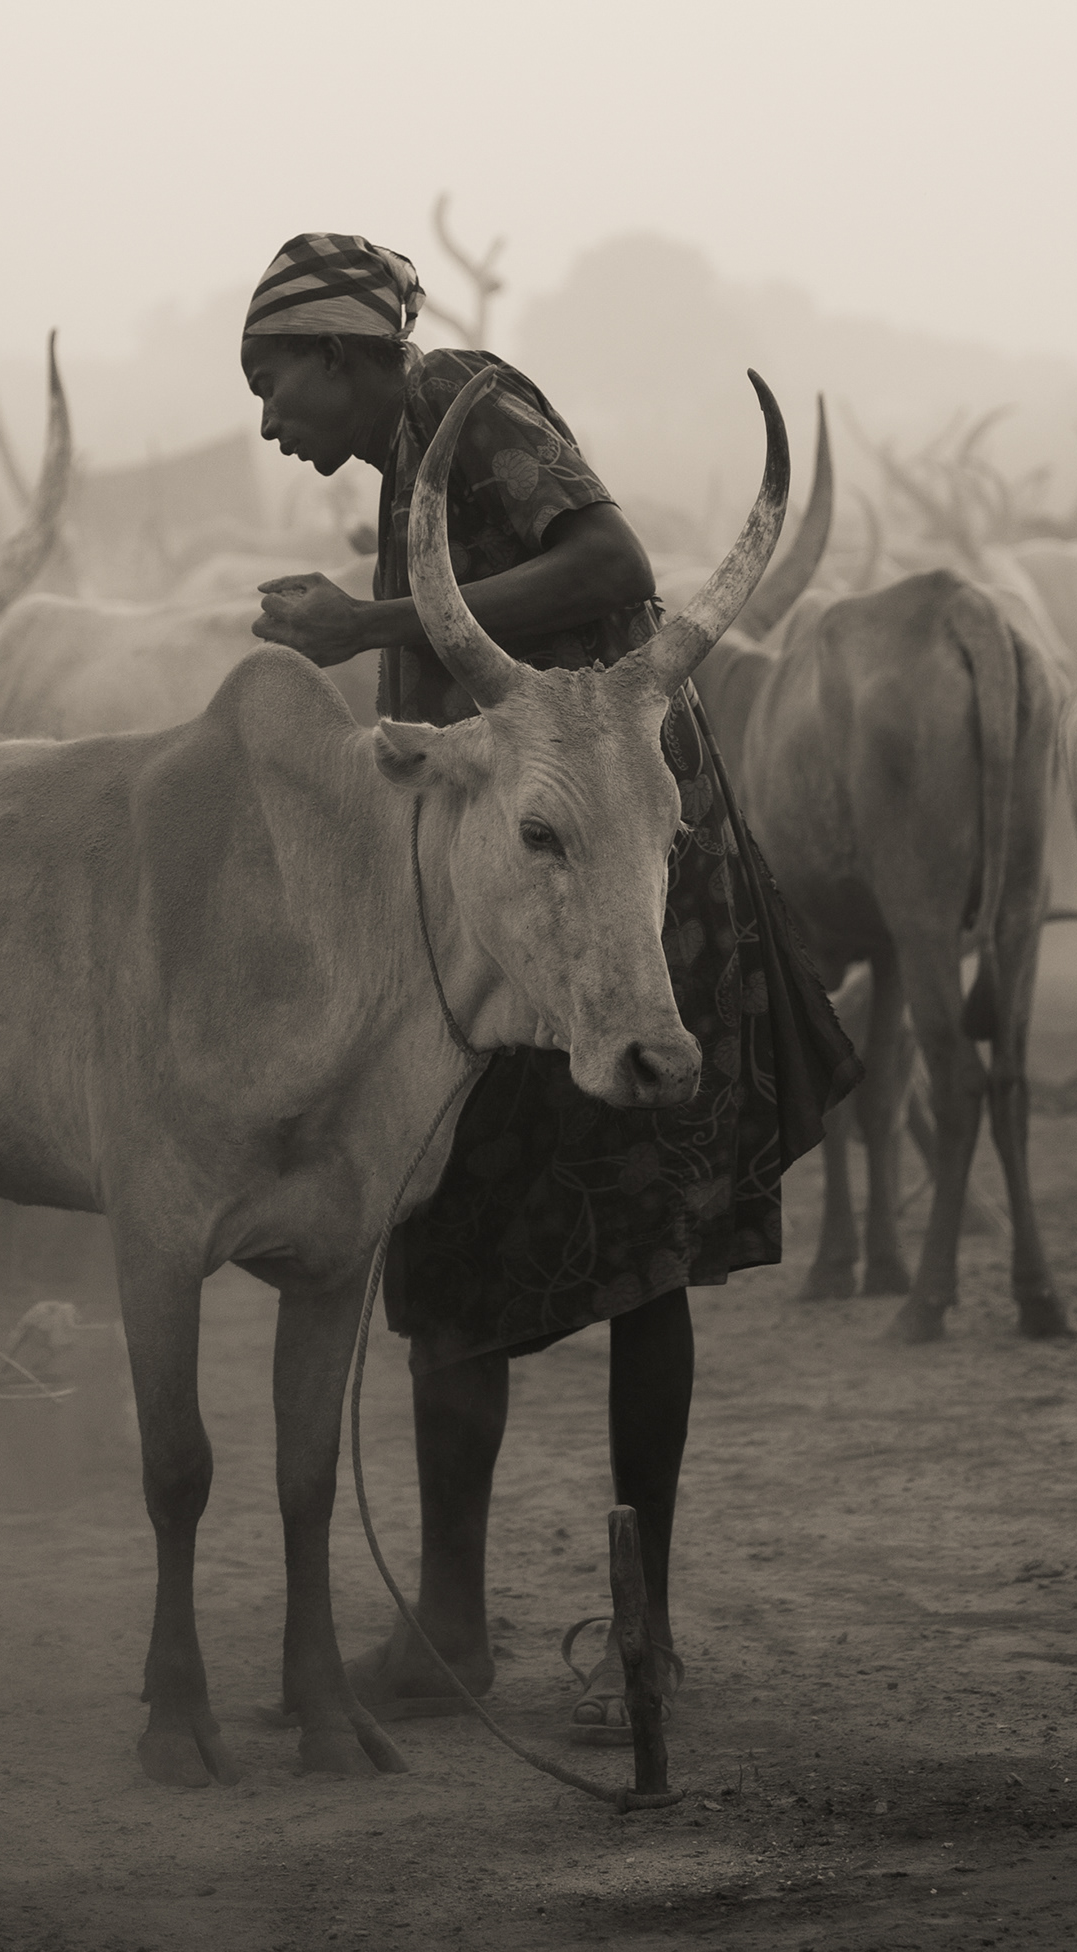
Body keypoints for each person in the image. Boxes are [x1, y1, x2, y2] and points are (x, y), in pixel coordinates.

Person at [241, 232, 857, 1740]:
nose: (270, 422)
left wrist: (369, 627)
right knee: (467, 1240)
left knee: (623, 1237)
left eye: (275, 382)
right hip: (521, 878)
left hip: (610, 872)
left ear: (343, 354)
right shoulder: (413, 451)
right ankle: (470, 1623)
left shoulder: (460, 400)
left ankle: (606, 1627)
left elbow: (617, 571)